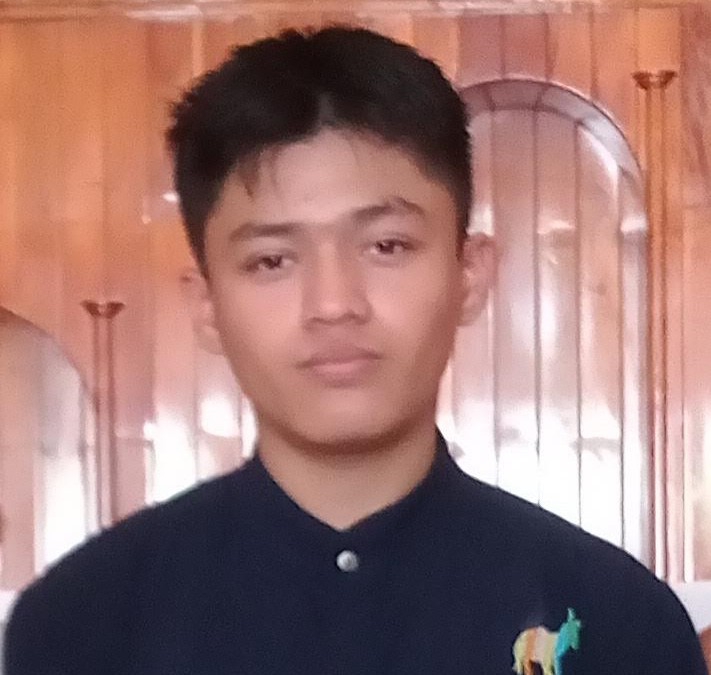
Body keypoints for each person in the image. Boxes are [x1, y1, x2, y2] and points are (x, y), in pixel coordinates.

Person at [3, 25, 707, 675]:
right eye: (272, 260)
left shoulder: (614, 620)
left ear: (469, 274)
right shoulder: (82, 624)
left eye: (386, 246)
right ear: (207, 305)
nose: (334, 302)